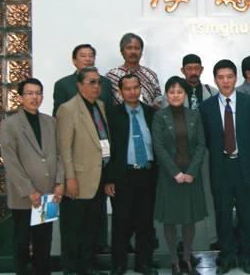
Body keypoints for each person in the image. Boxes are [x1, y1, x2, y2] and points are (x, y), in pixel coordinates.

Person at [200, 60, 250, 275]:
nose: (225, 81)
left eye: (229, 77)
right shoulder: (206, 107)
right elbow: (206, 140)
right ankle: (226, 257)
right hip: (221, 167)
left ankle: (246, 257)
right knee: (223, 216)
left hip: (245, 167)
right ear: (215, 80)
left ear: (236, 78)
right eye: (221, 77)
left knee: (246, 215)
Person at [53, 43, 113, 255]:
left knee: (91, 225)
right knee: (74, 225)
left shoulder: (100, 106)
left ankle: (88, 264)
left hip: (98, 172)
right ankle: (72, 266)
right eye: (91, 83)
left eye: (98, 83)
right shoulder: (67, 108)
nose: (96, 86)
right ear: (79, 85)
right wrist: (69, 177)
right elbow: (64, 147)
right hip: (77, 176)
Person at [1, 78, 64, 275]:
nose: (34, 97)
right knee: (22, 240)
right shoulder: (10, 124)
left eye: (38, 93)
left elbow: (60, 154)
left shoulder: (50, 122)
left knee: (43, 241)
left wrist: (59, 181)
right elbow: (11, 162)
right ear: (21, 97)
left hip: (47, 193)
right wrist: (30, 190)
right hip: (24, 196)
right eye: (29, 93)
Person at [152, 76, 207, 275]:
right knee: (170, 220)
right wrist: (175, 172)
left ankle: (187, 259)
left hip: (191, 175)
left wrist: (192, 172)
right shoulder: (160, 116)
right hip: (170, 176)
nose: (176, 95)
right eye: (172, 92)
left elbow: (201, 144)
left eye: (180, 92)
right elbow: (158, 146)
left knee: (188, 219)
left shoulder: (194, 115)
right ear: (166, 94)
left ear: (185, 94)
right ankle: (175, 261)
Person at [105, 74, 157, 275]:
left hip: (147, 174)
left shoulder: (151, 113)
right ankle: (118, 265)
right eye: (127, 89)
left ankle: (143, 263)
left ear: (140, 88)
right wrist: (109, 178)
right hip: (123, 176)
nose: (132, 92)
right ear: (120, 91)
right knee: (121, 222)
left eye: (136, 87)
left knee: (145, 222)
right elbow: (107, 149)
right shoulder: (112, 114)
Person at [180, 53, 219, 251]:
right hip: (183, 154)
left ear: (202, 70)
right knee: (183, 196)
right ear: (183, 71)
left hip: (207, 150)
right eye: (189, 69)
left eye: (197, 68)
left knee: (211, 193)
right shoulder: (175, 92)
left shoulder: (212, 92)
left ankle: (214, 237)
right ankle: (183, 240)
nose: (193, 72)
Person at [53, 43, 114, 116]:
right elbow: (58, 115)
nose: (87, 59)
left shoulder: (105, 82)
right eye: (83, 56)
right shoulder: (63, 84)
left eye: (91, 56)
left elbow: (110, 112)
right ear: (74, 61)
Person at [106, 33, 161, 106]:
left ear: (141, 52)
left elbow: (159, 101)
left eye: (137, 48)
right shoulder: (111, 76)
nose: (133, 52)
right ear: (122, 51)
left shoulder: (151, 75)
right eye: (129, 48)